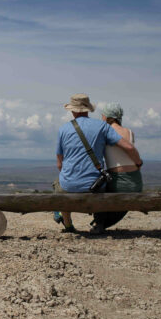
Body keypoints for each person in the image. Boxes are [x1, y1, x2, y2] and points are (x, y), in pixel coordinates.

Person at [54, 94, 142, 233]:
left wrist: (72, 176)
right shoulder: (102, 126)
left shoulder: (63, 129)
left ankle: (68, 224)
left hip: (69, 184)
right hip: (94, 186)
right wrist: (138, 162)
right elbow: (128, 147)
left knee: (58, 184)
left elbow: (60, 164)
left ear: (72, 110)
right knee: (104, 184)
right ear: (88, 109)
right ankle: (99, 224)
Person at [90, 103, 143, 233]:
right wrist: (139, 163)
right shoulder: (130, 132)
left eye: (102, 116)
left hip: (118, 181)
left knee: (98, 188)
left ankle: (99, 223)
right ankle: (100, 223)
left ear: (109, 118)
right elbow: (129, 152)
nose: (101, 119)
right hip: (136, 181)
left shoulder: (105, 132)